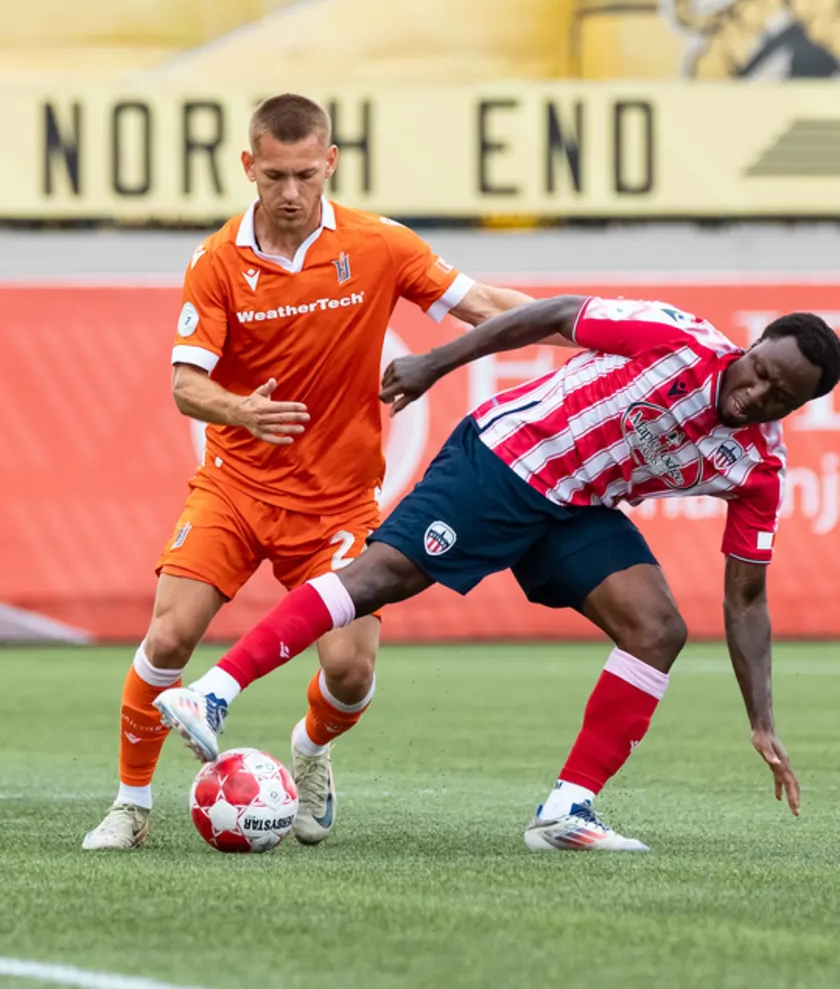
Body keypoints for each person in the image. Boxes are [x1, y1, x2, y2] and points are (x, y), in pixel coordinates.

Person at [155, 294, 840, 851]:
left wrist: (763, 723)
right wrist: (437, 363)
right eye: (759, 371)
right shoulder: (676, 338)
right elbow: (551, 316)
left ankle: (567, 810)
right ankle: (211, 694)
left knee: (658, 629)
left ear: (800, 406)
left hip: (574, 507)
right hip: (508, 457)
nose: (757, 394)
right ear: (748, 349)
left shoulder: (758, 468)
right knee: (382, 576)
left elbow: (747, 601)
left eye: (781, 395)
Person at [82, 93, 542, 851]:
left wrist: (585, 329)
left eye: (304, 174)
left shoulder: (380, 244)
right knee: (169, 638)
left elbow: (483, 305)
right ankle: (131, 806)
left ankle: (313, 749)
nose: (290, 193)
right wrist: (240, 411)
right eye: (273, 176)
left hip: (337, 504)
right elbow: (183, 384)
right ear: (247, 168)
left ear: (329, 162)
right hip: (235, 488)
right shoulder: (219, 261)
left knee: (352, 673)